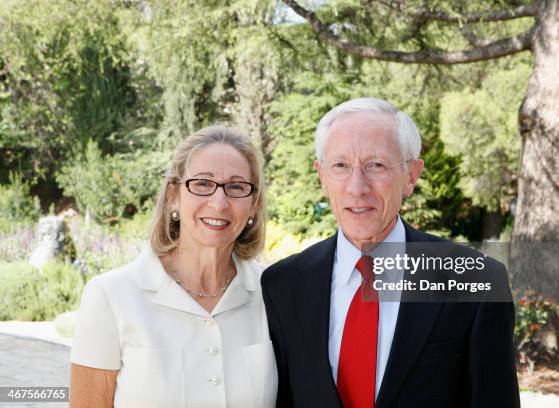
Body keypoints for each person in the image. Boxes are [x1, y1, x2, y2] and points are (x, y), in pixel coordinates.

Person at [261, 98, 519, 407]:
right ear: (322, 176)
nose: (357, 187)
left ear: (411, 175)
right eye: (340, 166)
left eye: (376, 166)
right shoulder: (282, 285)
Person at [70, 126, 277, 408]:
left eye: (237, 187)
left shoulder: (274, 294)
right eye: (202, 183)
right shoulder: (111, 296)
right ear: (173, 196)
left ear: (253, 205)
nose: (219, 203)